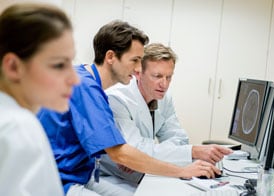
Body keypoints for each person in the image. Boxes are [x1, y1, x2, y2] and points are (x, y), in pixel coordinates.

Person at [37, 20, 219, 196]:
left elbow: (109, 148)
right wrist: (181, 171)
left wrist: (131, 158)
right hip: (58, 182)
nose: (139, 68)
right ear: (110, 57)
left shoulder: (87, 81)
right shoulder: (85, 87)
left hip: (82, 175)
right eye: (135, 60)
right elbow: (120, 154)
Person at [100, 43, 233, 193]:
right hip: (114, 176)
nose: (164, 84)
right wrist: (191, 152)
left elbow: (179, 139)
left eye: (168, 77)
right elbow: (136, 150)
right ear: (138, 73)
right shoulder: (117, 99)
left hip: (145, 170)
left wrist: (148, 153)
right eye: (157, 76)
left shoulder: (164, 98)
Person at [0, 3, 80, 196]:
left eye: (71, 62)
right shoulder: (18, 126)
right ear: (13, 67)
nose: (75, 79)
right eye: (59, 65)